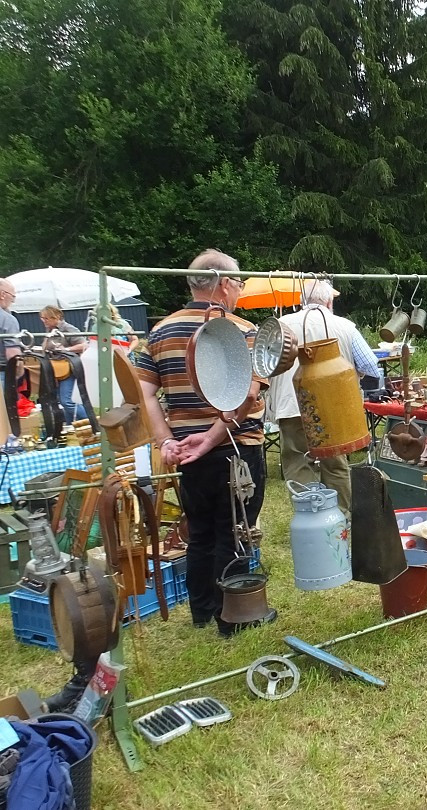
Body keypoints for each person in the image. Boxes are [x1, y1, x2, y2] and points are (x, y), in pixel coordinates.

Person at [134, 249, 270, 636]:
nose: (241, 290)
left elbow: (144, 394)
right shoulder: (243, 331)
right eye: (240, 283)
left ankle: (201, 612)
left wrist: (165, 442)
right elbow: (247, 396)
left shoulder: (158, 332)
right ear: (224, 283)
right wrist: (211, 438)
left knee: (200, 531)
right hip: (235, 447)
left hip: (187, 450)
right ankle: (233, 620)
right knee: (236, 532)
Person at [265, 279, 379, 510]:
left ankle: (311, 513)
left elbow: (263, 366)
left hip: (291, 404)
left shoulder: (280, 326)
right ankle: (342, 517)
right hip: (333, 406)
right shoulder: (344, 326)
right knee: (335, 463)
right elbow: (370, 365)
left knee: (297, 460)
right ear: (328, 301)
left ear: (300, 302)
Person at [39, 306, 88, 424]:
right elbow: (44, 348)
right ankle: (70, 428)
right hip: (56, 369)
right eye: (42, 318)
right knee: (63, 401)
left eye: (47, 318)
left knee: (67, 401)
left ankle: (90, 422)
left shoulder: (68, 329)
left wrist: (66, 349)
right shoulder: (50, 330)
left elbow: (84, 345)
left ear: (56, 317)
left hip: (69, 368)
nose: (43, 321)